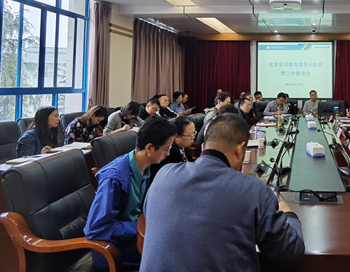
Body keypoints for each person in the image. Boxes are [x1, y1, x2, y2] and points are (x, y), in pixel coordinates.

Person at [140, 114, 305, 272]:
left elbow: (150, 216)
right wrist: (290, 216)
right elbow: (290, 254)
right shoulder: (255, 191)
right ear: (239, 150)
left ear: (203, 147)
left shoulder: (164, 173)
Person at [84, 116, 177, 270]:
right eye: (166, 149)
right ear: (149, 148)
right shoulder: (114, 178)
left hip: (134, 238)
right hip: (113, 250)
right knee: (172, 258)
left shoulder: (145, 167)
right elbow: (97, 228)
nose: (167, 154)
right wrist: (141, 228)